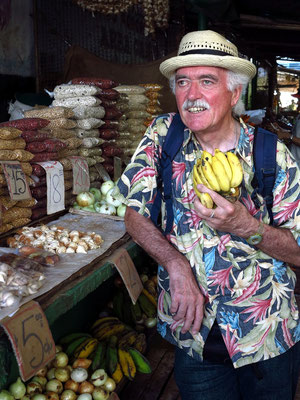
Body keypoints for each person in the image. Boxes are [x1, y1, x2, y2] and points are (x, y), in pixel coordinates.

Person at [116, 30, 300, 399]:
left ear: (234, 94)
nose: (192, 95)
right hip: (193, 335)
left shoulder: (271, 154)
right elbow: (134, 214)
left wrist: (246, 226)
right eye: (183, 82)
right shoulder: (162, 135)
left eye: (206, 81)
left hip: (265, 335)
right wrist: (176, 264)